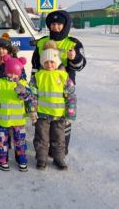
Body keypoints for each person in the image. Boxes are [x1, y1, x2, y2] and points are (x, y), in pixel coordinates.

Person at [31, 10, 85, 155]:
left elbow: (80, 67)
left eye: (59, 24)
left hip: (64, 87)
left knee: (62, 122)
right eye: (53, 24)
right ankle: (44, 150)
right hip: (44, 87)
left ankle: (60, 150)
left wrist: (74, 58)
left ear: (65, 25)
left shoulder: (73, 43)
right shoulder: (42, 42)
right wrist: (33, 83)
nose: (55, 27)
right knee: (45, 122)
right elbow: (35, 65)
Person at [32, 41, 77, 171]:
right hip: (42, 114)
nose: (49, 64)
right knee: (41, 137)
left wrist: (71, 114)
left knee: (59, 137)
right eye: (46, 62)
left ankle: (58, 158)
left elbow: (71, 96)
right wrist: (32, 110)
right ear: (42, 62)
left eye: (52, 62)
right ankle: (41, 158)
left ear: (57, 62)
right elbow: (32, 95)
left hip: (59, 115)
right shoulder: (38, 76)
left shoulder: (63, 76)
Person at [0, 55, 35, 172]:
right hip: (4, 119)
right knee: (2, 142)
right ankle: (2, 160)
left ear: (19, 73)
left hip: (18, 121)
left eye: (15, 74)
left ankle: (22, 160)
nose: (12, 76)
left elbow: (29, 97)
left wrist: (23, 92)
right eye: (10, 73)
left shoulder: (23, 82)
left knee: (20, 142)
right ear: (6, 71)